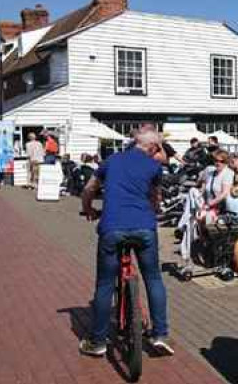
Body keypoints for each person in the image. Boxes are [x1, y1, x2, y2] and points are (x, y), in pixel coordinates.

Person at [79, 127, 173, 357]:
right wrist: (150, 211)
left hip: (112, 227)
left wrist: (88, 208)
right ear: (152, 148)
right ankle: (160, 334)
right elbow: (155, 197)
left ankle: (98, 341)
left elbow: (89, 188)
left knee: (104, 284)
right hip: (144, 228)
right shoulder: (154, 166)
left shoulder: (112, 161)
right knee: (153, 278)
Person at [201, 150, 234, 223]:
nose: (217, 163)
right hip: (208, 206)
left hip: (220, 208)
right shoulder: (211, 173)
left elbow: (224, 193)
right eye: (216, 160)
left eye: (221, 161)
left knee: (205, 218)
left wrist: (210, 203)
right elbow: (204, 190)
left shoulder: (228, 173)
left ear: (226, 162)